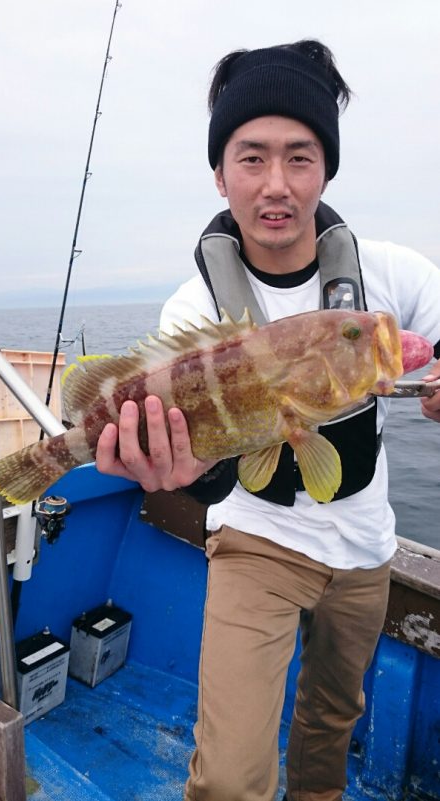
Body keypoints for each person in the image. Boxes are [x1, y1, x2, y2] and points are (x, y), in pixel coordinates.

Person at [96, 40, 440, 801]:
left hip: (367, 547)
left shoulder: (390, 274)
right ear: (220, 173)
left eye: (300, 157)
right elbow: (206, 464)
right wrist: (183, 472)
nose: (276, 184)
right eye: (252, 158)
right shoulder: (195, 311)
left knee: (331, 722)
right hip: (258, 539)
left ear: (327, 168)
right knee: (226, 779)